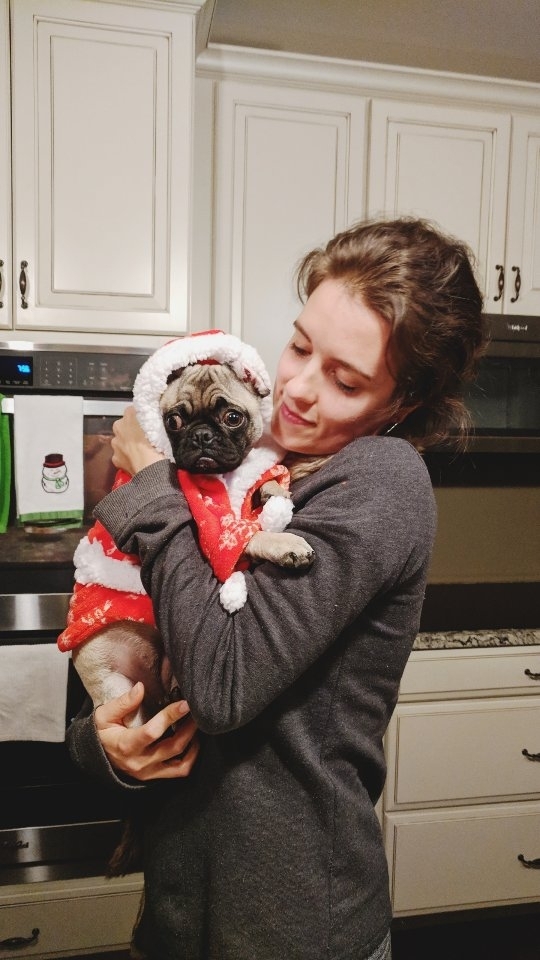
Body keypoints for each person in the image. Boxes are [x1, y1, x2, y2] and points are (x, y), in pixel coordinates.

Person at [67, 217, 487, 960]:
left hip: (295, 928)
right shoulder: (241, 457)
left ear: (403, 401)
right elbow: (134, 647)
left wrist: (152, 485)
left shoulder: (381, 482)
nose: (296, 389)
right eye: (299, 345)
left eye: (345, 380)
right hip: (177, 912)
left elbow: (222, 685)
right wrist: (109, 747)